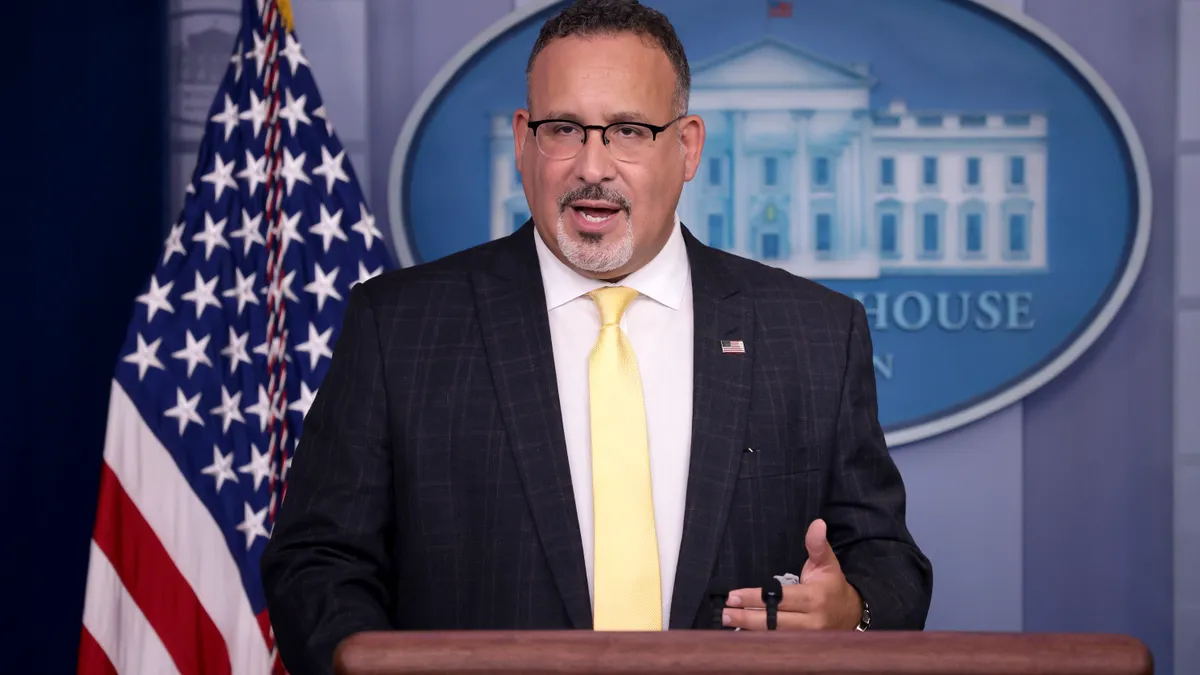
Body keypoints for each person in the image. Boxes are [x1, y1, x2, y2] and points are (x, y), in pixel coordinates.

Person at [261, 0, 933, 672]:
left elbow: (888, 561)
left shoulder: (813, 332)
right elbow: (317, 563)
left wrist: (851, 610)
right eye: (564, 129)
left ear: (687, 144)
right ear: (525, 139)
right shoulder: (400, 327)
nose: (592, 165)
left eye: (628, 131)